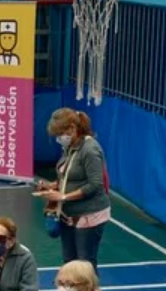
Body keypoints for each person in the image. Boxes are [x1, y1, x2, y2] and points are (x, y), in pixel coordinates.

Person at [36, 108, 110, 268]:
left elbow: (95, 184)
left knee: (85, 264)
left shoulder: (90, 150)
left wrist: (63, 197)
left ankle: (89, 286)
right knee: (69, 262)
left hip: (89, 215)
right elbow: (68, 176)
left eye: (60, 134)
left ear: (72, 128)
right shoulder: (70, 147)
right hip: (69, 215)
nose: (58, 139)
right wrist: (52, 186)